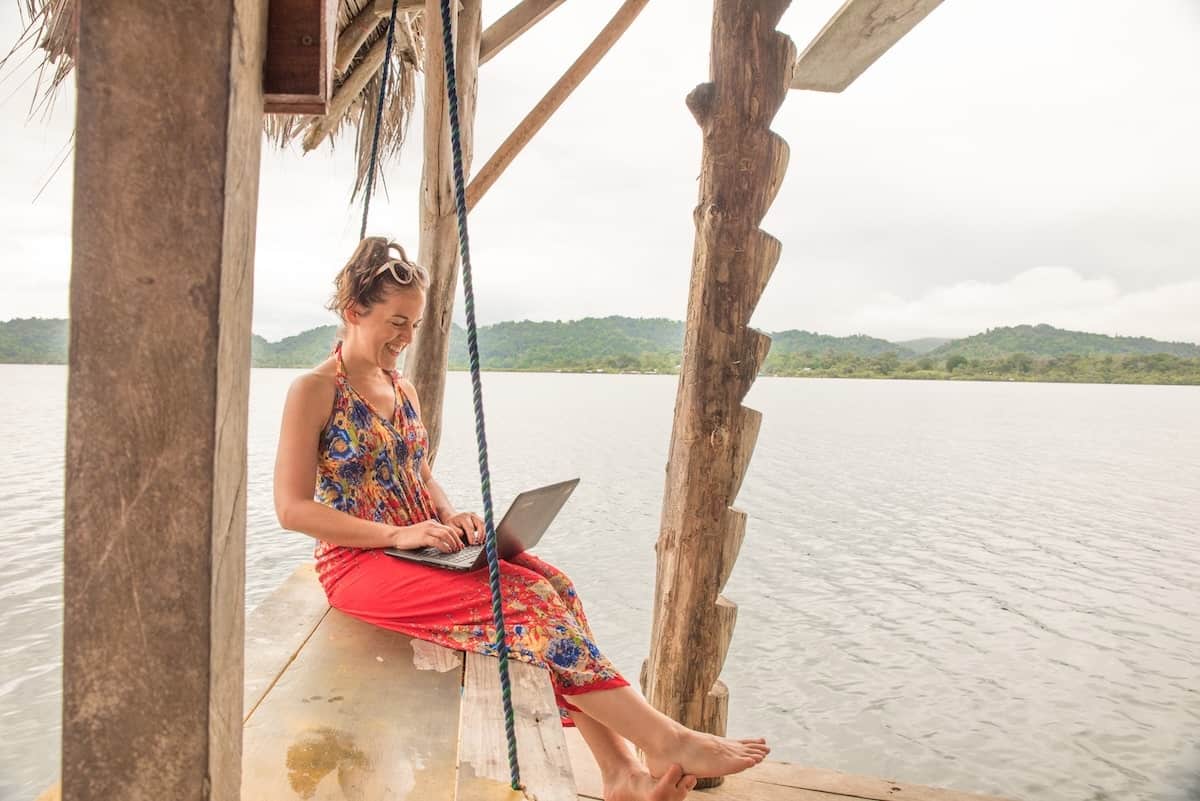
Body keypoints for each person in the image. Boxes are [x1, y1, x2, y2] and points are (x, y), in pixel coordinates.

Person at [273, 237, 770, 801]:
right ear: (353, 311)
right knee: (527, 605)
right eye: (395, 322)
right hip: (359, 564)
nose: (405, 338)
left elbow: (418, 472)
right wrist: (396, 533)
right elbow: (292, 509)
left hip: (421, 548)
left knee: (557, 586)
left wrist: (448, 513)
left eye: (413, 325)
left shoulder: (401, 387)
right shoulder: (314, 390)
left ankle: (621, 773)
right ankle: (667, 740)